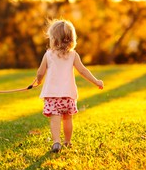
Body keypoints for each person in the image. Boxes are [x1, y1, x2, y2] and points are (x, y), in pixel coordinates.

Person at [35, 19, 104, 153]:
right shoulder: (73, 55)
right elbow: (83, 71)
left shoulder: (49, 55)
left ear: (54, 40)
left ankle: (56, 142)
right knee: (67, 119)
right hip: (68, 95)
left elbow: (40, 72)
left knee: (55, 119)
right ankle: (67, 141)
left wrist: (37, 81)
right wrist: (96, 81)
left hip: (52, 96)